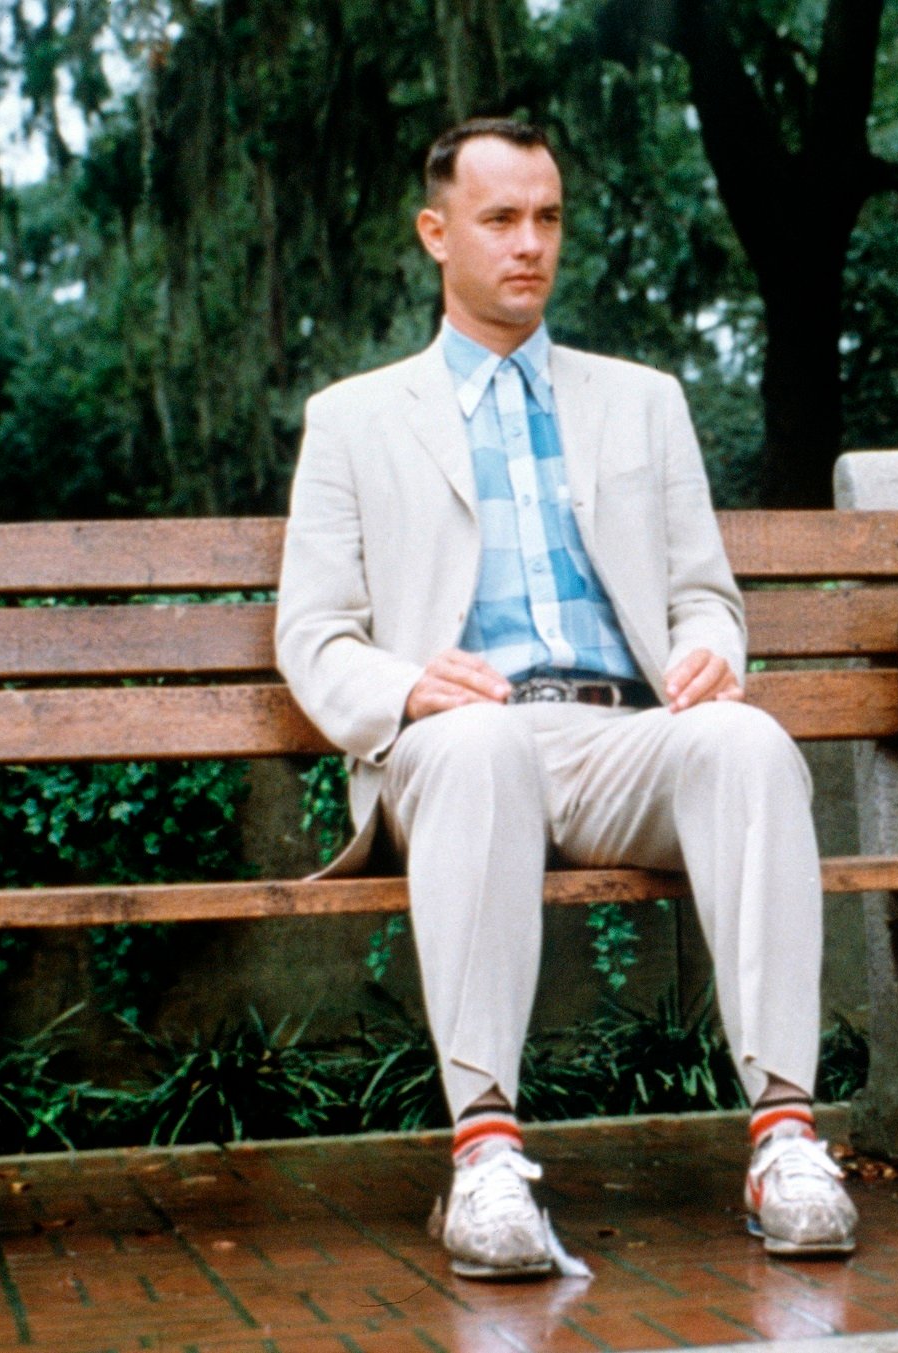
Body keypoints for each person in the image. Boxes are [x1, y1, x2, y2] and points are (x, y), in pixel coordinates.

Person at [274, 118, 858, 1280]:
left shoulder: (641, 401)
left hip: (616, 737)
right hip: (450, 745)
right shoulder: (352, 419)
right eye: (499, 220)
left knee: (742, 743)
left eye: (546, 218)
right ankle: (483, 1159)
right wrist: (406, 686)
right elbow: (314, 636)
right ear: (436, 233)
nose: (528, 245)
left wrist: (709, 654)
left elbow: (705, 597)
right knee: (482, 739)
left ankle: (784, 1138)